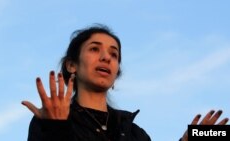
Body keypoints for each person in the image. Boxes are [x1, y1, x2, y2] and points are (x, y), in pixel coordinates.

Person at [22, 24, 229, 141]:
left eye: (114, 54)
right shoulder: (49, 120)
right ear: (71, 65)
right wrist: (56, 128)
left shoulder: (134, 133)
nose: (106, 57)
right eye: (95, 49)